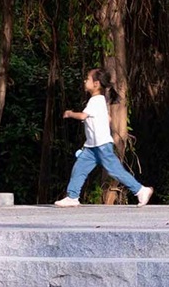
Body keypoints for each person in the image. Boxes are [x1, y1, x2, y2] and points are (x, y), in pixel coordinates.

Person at [55, 68, 153, 207]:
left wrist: (70, 113)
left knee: (115, 170)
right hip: (91, 147)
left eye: (87, 79)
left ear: (96, 84)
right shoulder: (99, 101)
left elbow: (83, 116)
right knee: (79, 169)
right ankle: (72, 196)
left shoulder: (95, 101)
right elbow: (108, 118)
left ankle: (141, 190)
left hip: (101, 145)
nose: (84, 81)